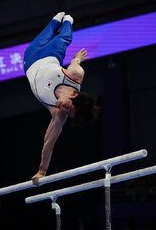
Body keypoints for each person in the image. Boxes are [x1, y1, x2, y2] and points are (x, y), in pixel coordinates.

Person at [24, 12, 99, 185]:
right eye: (68, 108)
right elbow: (75, 63)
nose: (63, 111)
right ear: (74, 94)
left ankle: (57, 21)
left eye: (67, 113)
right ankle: (67, 20)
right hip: (52, 55)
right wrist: (77, 59)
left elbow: (49, 144)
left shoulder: (59, 116)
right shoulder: (75, 75)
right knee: (63, 39)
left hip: (30, 60)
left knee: (43, 36)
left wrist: (42, 171)